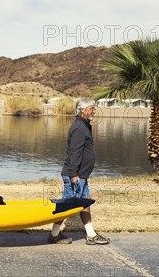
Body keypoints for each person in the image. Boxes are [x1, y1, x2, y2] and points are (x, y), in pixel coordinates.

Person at [48, 99, 110, 245]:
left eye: (93, 108)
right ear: (82, 110)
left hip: (81, 175)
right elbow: (75, 153)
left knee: (85, 202)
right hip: (75, 175)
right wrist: (74, 174)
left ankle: (91, 234)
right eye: (91, 108)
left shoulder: (84, 125)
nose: (94, 111)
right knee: (66, 206)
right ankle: (54, 235)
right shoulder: (79, 128)